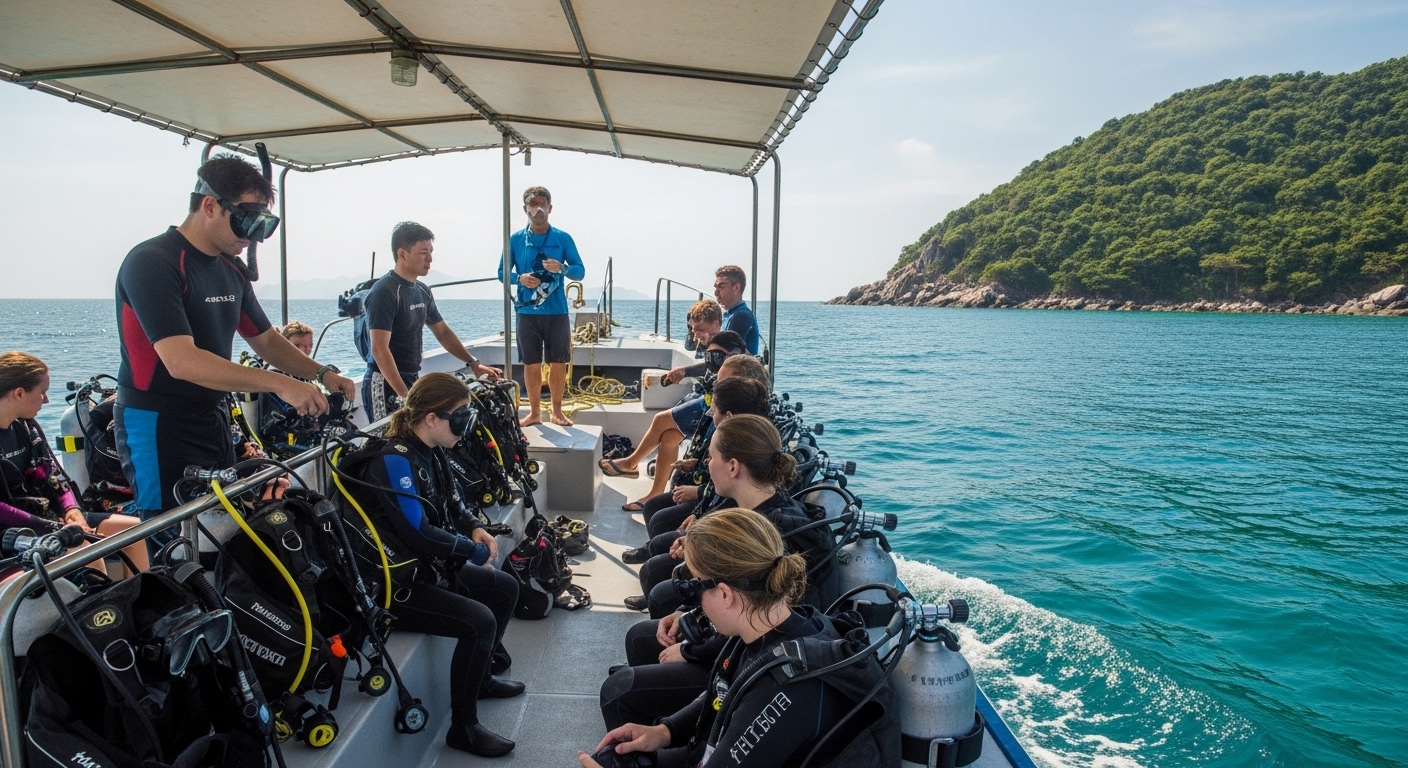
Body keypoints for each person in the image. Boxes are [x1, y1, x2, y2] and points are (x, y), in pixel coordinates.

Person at [113, 155, 356, 554]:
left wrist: (323, 374)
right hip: (158, 425)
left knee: (219, 533)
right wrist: (281, 384)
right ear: (210, 206)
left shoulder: (230, 267)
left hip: (213, 417)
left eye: (265, 224)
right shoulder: (152, 262)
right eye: (247, 220)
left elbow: (265, 340)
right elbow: (181, 360)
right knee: (173, 544)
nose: (255, 235)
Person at [586, 507, 895, 768]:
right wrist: (665, 731)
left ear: (724, 594)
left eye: (694, 586)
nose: (693, 604)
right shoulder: (778, 626)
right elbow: (720, 694)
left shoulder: (784, 690)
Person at [344, 373, 523, 757]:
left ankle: (483, 677)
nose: (466, 426)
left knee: (505, 587)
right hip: (396, 589)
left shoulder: (435, 449)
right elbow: (418, 533)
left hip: (426, 569)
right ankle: (464, 728)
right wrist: (468, 550)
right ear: (430, 418)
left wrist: (474, 528)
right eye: (460, 418)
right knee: (480, 622)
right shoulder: (394, 461)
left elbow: (453, 503)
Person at [623, 413, 833, 618]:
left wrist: (685, 628)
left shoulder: (766, 534)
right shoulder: (767, 502)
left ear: (733, 467)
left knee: (654, 606)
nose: (708, 463)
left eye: (712, 457)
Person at [1, 352, 149, 574]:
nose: (47, 400)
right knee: (84, 548)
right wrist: (57, 527)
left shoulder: (26, 428)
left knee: (136, 532)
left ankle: (141, 602)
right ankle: (102, 607)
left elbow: (55, 476)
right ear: (19, 393)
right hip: (16, 532)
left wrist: (73, 512)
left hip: (51, 518)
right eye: (43, 393)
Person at [363, 222, 503, 422]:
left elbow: (443, 332)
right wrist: (404, 395)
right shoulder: (384, 292)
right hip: (384, 382)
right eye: (423, 253)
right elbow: (379, 349)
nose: (430, 259)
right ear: (402, 254)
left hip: (412, 377)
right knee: (387, 445)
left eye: (430, 252)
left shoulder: (422, 291)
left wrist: (473, 363)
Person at [601, 331, 749, 511]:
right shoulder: (722, 368)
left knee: (661, 419)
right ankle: (655, 493)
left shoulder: (746, 380)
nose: (711, 363)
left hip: (714, 409)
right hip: (711, 404)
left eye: (715, 357)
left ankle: (631, 462)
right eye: (708, 357)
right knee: (670, 437)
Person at [499, 186, 585, 427]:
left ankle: (557, 411)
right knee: (531, 363)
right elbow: (501, 272)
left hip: (557, 312)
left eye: (542, 204)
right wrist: (520, 278)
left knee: (558, 363)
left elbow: (580, 271)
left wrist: (563, 268)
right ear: (525, 208)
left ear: (550, 208)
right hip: (527, 313)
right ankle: (535, 412)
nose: (537, 209)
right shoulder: (515, 239)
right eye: (532, 204)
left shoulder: (563, 238)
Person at [714, 265, 760, 356]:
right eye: (716, 287)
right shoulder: (728, 315)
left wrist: (686, 370)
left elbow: (724, 355)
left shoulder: (741, 316)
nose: (716, 292)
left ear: (736, 288)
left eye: (721, 287)